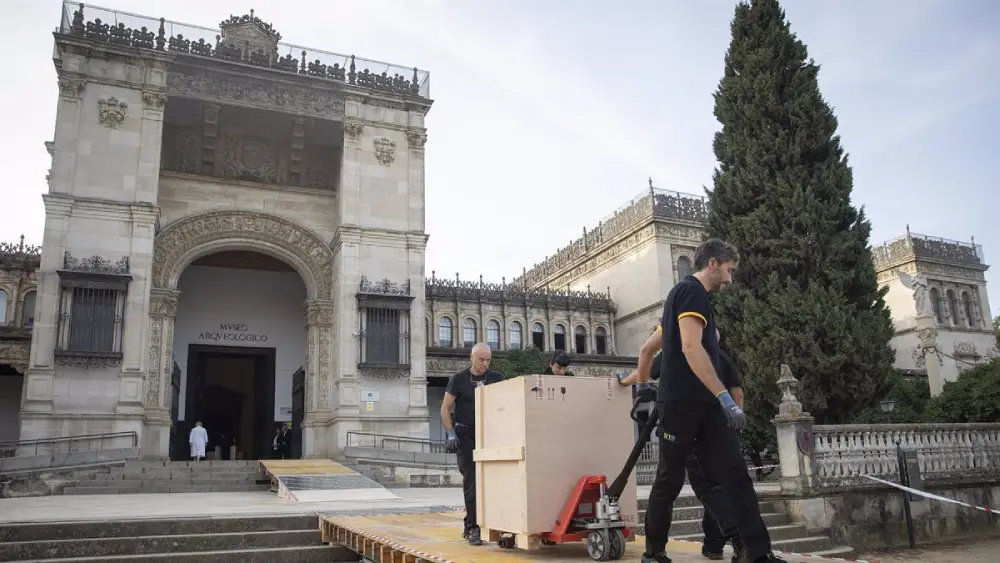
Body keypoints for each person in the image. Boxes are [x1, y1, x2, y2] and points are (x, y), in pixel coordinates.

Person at [635, 239, 783, 563]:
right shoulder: (689, 292)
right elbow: (690, 347)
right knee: (668, 481)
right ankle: (653, 553)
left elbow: (647, 350)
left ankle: (757, 554)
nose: (730, 279)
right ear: (713, 264)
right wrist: (725, 398)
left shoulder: (695, 300)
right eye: (729, 270)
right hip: (681, 406)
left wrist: (643, 386)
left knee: (736, 476)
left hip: (707, 408)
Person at [620, 328, 746, 561]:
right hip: (712, 425)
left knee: (666, 486)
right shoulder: (721, 358)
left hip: (679, 423)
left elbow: (643, 362)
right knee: (711, 486)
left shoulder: (674, 353)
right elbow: (737, 392)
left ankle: (655, 552)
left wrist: (627, 382)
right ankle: (736, 544)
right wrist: (735, 421)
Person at [440, 342, 504, 546]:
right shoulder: (458, 380)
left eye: (488, 360)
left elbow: (509, 400)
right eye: (481, 360)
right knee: (472, 481)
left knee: (494, 480)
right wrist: (450, 434)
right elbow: (445, 408)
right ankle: (473, 528)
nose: (484, 364)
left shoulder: (496, 379)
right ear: (471, 357)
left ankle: (487, 523)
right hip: (465, 434)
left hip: (489, 434)